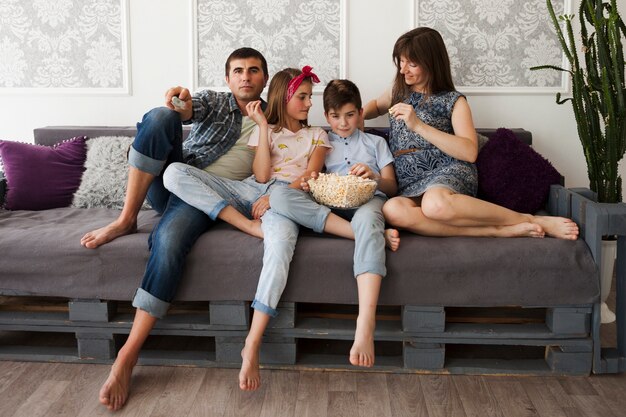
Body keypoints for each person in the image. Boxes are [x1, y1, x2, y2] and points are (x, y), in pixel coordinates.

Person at [92, 47, 270, 412]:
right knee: (160, 117)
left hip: (204, 199)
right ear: (228, 78)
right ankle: (127, 218)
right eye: (238, 71)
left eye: (254, 71)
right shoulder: (217, 102)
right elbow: (190, 108)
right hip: (172, 177)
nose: (246, 77)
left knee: (170, 241)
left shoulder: (275, 116)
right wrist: (181, 103)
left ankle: (126, 356)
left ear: (264, 78)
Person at [163, 67, 330, 391]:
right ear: (284, 98)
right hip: (249, 192)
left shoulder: (318, 135)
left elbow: (311, 176)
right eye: (303, 97)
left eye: (310, 97)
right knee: (173, 173)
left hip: (286, 199)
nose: (310, 104)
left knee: (280, 250)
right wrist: (264, 126)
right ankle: (243, 226)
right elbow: (262, 175)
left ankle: (252, 343)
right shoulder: (262, 129)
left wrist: (277, 197)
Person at [362, 27, 579, 240]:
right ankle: (497, 231)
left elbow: (469, 151)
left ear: (431, 63)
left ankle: (530, 220)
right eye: (400, 61)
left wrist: (418, 126)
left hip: (447, 172)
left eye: (412, 63)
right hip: (409, 181)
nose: (403, 70)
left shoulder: (454, 101)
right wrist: (353, 118)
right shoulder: (397, 92)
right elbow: (374, 106)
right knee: (392, 210)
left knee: (434, 204)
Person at [269, 79, 399, 370]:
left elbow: (392, 187)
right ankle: (371, 236)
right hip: (328, 207)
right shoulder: (320, 143)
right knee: (281, 197)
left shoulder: (376, 143)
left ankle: (365, 323)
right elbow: (307, 177)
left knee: (368, 218)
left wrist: (373, 176)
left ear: (361, 113)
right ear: (327, 116)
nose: (343, 123)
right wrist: (313, 182)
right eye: (336, 116)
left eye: (350, 115)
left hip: (367, 201)